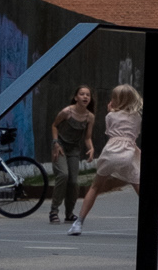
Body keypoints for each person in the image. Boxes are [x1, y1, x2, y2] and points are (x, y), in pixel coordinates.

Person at [71, 82, 158, 240]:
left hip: (110, 152)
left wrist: (110, 111)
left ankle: (78, 222)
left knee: (95, 187)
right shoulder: (137, 117)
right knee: (143, 192)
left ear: (117, 100)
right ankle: (157, 226)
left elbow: (110, 129)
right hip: (128, 153)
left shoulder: (110, 116)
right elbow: (136, 132)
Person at [51, 86, 97, 225]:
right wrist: (55, 143)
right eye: (82, 94)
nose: (85, 97)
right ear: (76, 97)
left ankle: (69, 214)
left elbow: (87, 138)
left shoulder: (90, 117)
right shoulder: (67, 112)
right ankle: (53, 211)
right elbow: (54, 126)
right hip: (60, 147)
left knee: (73, 182)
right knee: (63, 175)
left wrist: (91, 149)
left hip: (74, 150)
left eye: (87, 95)